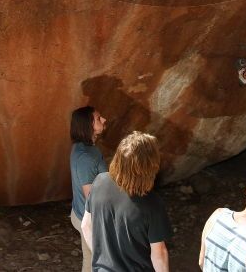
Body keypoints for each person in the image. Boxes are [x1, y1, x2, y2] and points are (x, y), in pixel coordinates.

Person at [81, 131, 172, 272]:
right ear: (149, 167)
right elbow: (158, 254)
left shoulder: (99, 181)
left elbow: (86, 226)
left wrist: (102, 258)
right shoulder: (152, 203)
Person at [69, 106, 108, 272]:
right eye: (98, 118)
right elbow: (92, 198)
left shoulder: (84, 148)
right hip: (90, 219)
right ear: (88, 125)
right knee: (103, 262)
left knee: (91, 259)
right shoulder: (85, 157)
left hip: (80, 213)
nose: (104, 119)